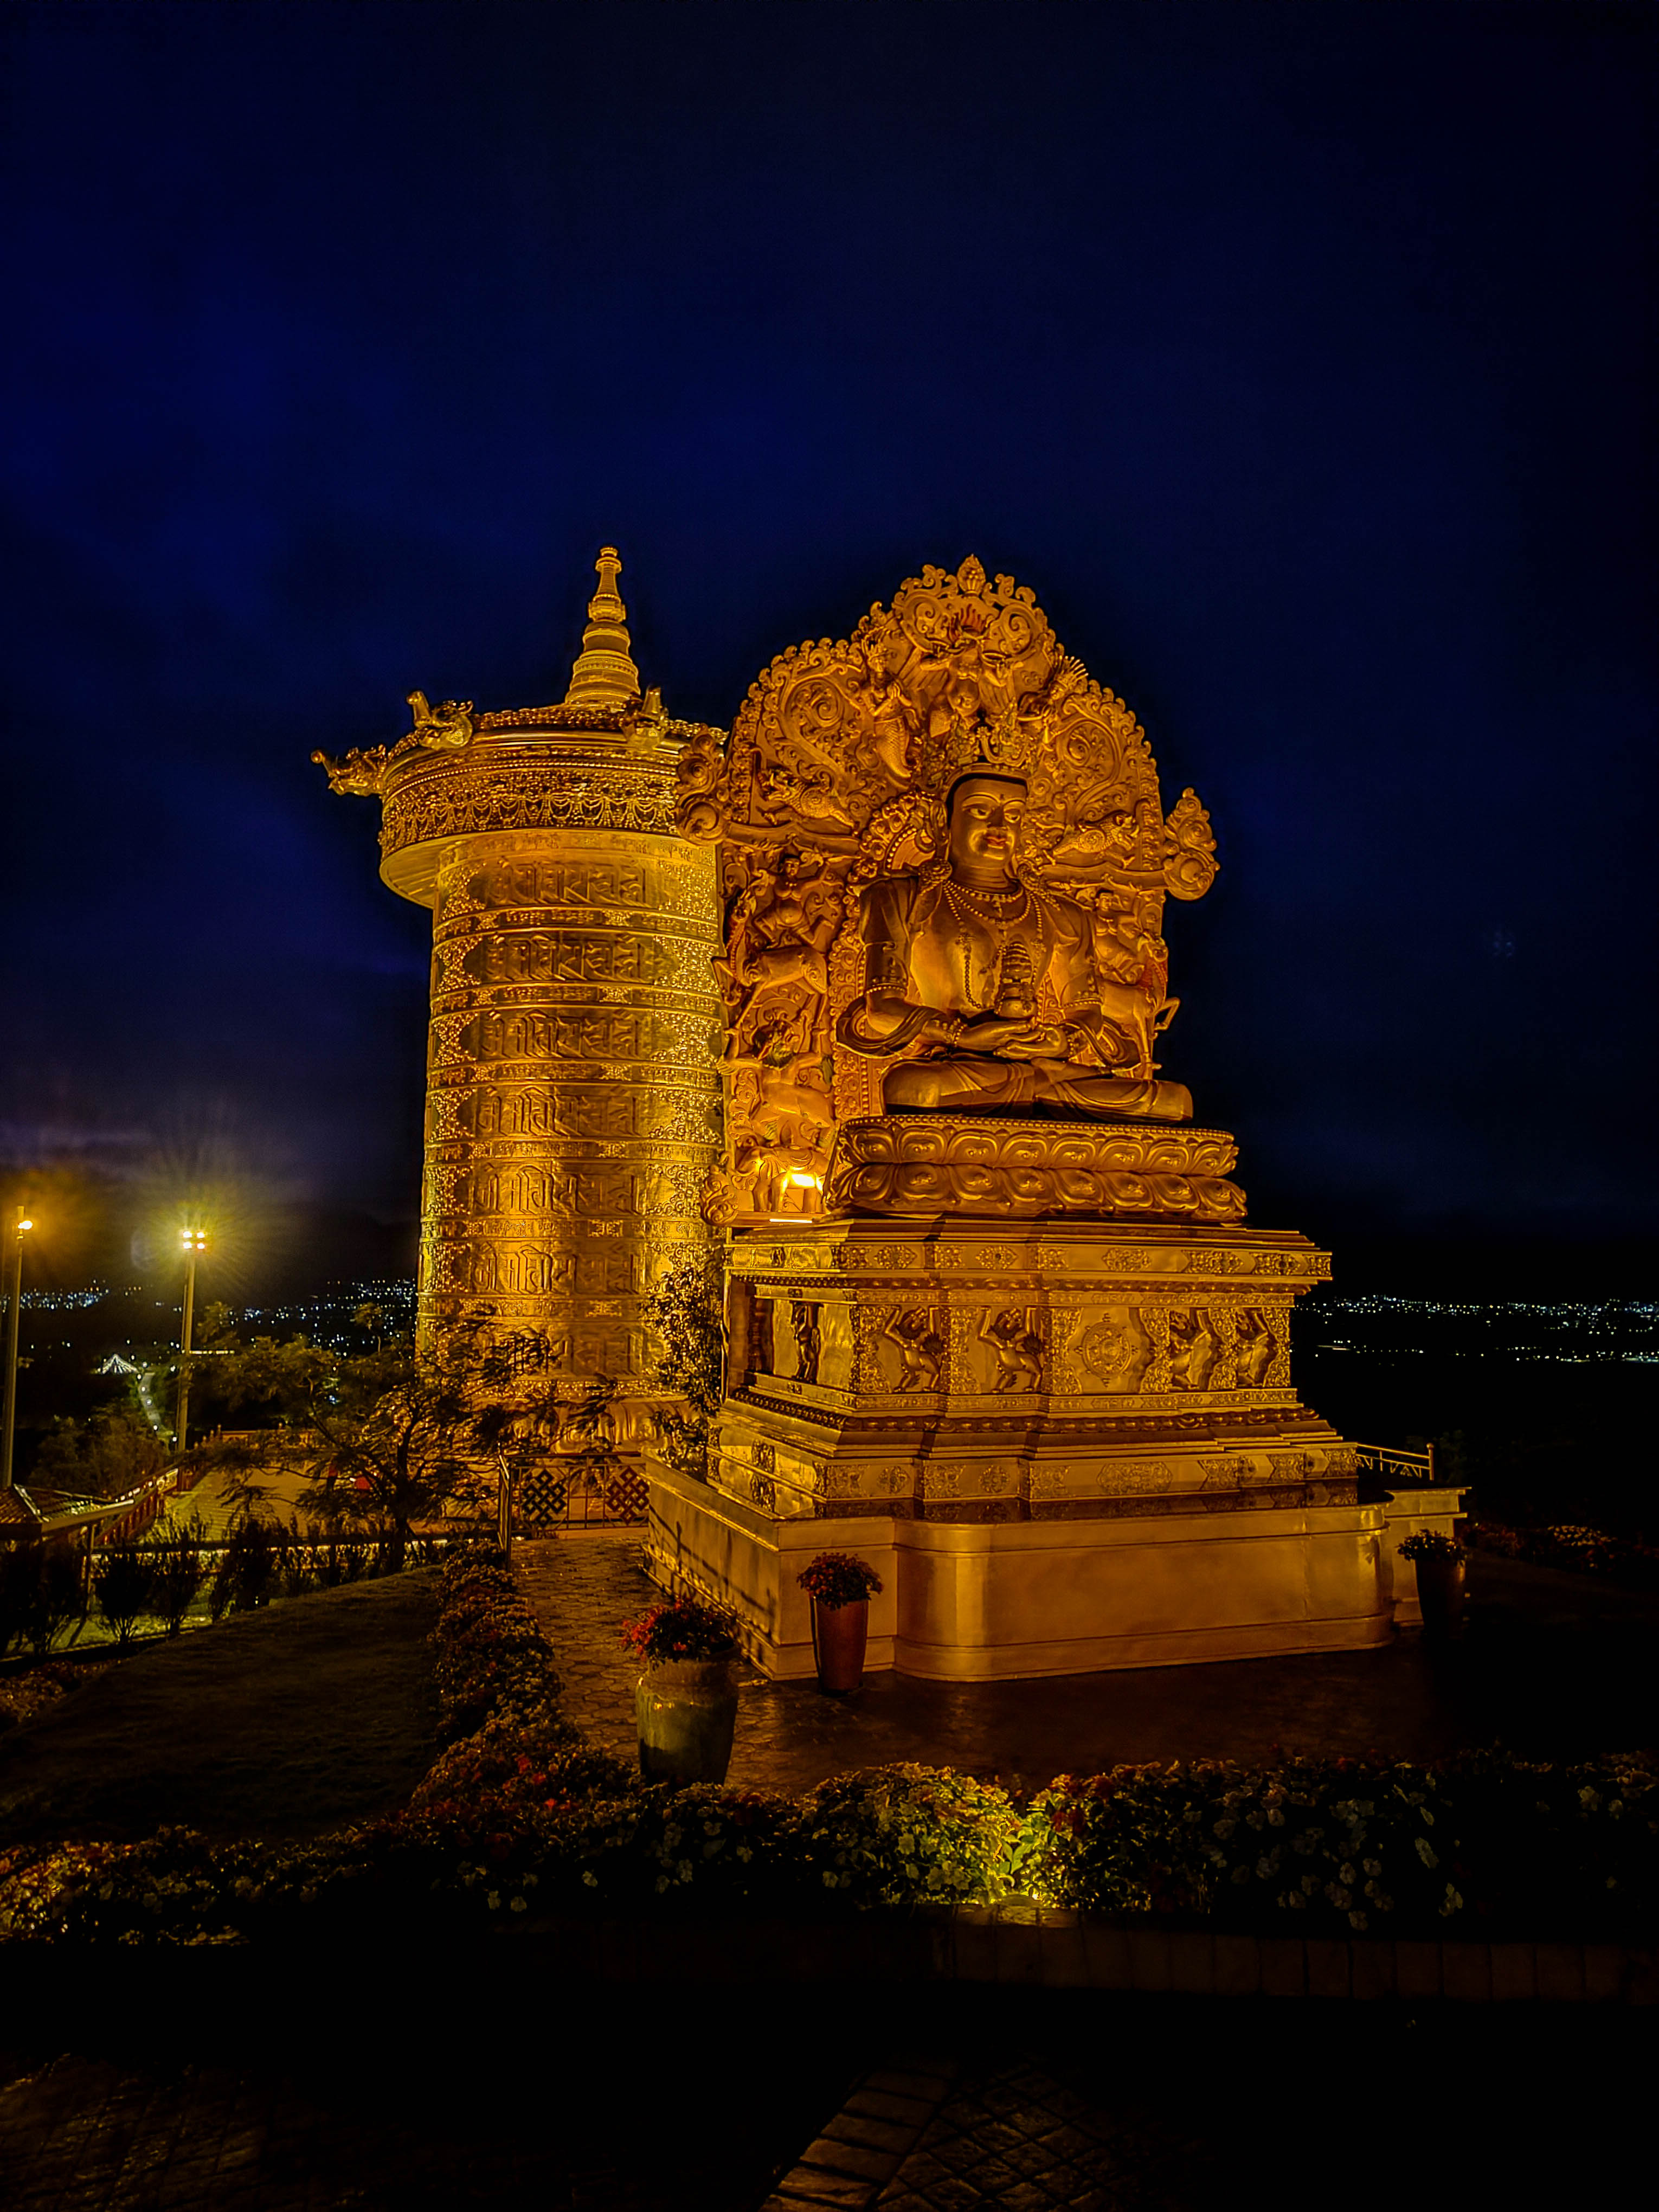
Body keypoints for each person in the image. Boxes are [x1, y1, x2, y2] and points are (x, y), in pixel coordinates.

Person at [836, 773, 1191, 1119]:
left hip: (1042, 1070)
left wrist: (1062, 1041)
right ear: (943, 820)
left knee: (1173, 1102)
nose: (999, 825)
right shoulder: (901, 897)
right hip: (956, 1066)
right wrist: (963, 1036)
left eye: (1014, 815)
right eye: (980, 810)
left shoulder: (1062, 913)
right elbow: (882, 1009)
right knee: (911, 1088)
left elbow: (1086, 1012)